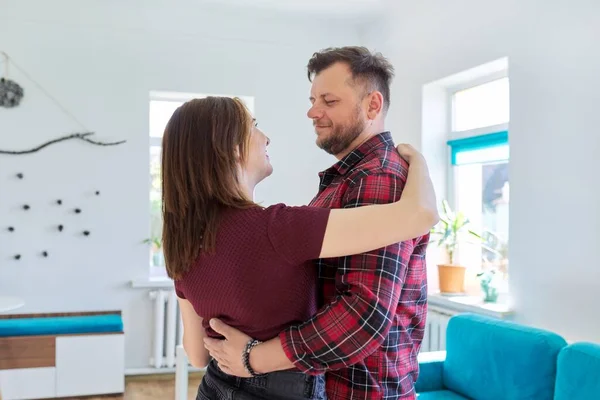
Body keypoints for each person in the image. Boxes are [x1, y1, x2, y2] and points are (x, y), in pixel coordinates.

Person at [162, 94, 437, 400]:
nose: (265, 137)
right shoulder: (279, 228)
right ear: (232, 148)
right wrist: (419, 161)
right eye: (253, 126)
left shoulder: (181, 245)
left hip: (215, 387)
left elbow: (198, 355)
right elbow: (421, 214)